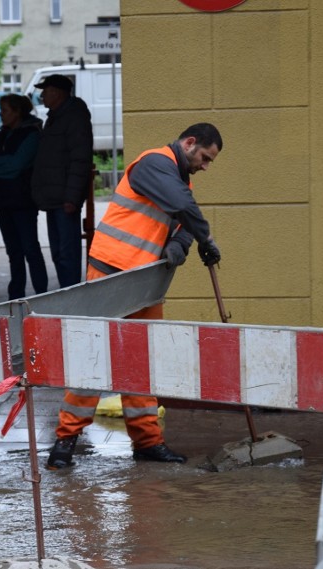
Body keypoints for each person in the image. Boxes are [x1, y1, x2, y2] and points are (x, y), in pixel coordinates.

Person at [47, 123, 224, 469]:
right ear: (189, 143)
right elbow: (182, 207)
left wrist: (180, 243)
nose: (205, 166)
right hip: (112, 274)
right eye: (205, 157)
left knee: (141, 363)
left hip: (144, 281)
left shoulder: (178, 178)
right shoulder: (153, 164)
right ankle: (65, 439)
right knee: (95, 358)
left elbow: (181, 219)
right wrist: (204, 238)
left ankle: (147, 442)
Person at [0, 94, 48, 299]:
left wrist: (0, 165)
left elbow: (17, 166)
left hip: (22, 200)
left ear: (17, 112)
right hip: (3, 200)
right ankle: (16, 296)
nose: (0, 114)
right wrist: (6, 166)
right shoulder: (2, 134)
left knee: (30, 249)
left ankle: (42, 295)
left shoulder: (32, 134)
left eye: (5, 110)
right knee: (14, 252)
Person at [30, 74, 94, 289]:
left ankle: (71, 297)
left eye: (45, 91)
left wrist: (72, 197)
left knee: (67, 254)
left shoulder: (73, 116)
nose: (42, 95)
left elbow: (80, 159)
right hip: (55, 198)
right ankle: (67, 295)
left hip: (65, 199)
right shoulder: (56, 116)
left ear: (57, 93)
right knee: (59, 253)